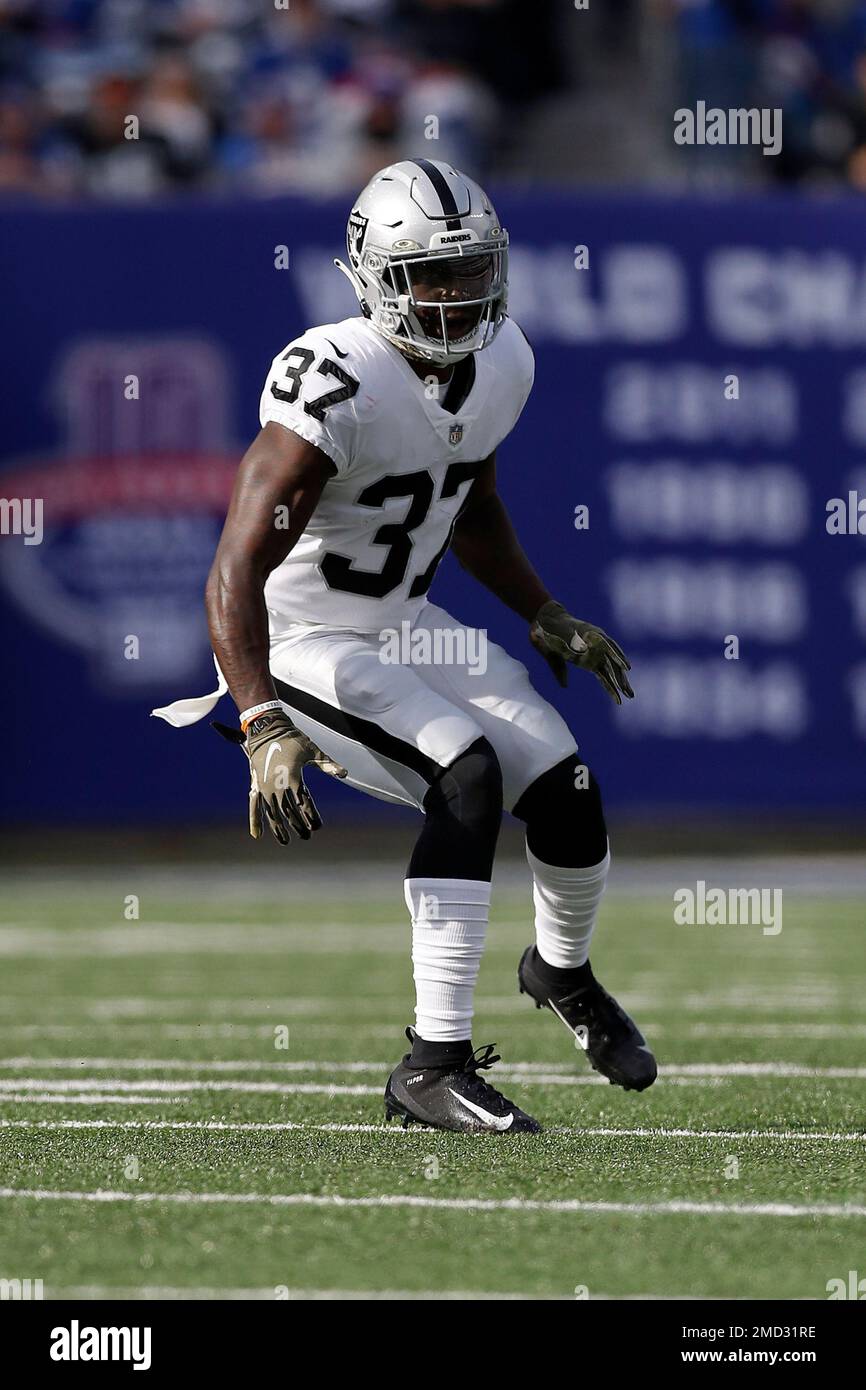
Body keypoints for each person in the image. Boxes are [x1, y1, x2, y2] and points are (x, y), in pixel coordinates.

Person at [153, 157, 656, 1133]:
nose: (457, 294)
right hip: (297, 632)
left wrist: (540, 609)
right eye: (432, 274)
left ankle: (558, 970)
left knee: (564, 784)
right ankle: (430, 1067)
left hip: (399, 621)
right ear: (374, 276)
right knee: (462, 775)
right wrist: (259, 720)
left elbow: (471, 507)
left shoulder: (503, 358)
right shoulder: (332, 378)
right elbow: (231, 569)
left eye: (471, 270)